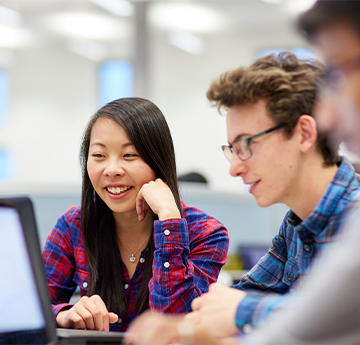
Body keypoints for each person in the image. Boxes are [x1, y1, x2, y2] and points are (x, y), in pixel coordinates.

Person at [125, 52, 360, 344]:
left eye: (247, 144)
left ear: (303, 133)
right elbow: (231, 301)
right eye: (232, 150)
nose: (235, 168)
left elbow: (340, 315)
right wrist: (188, 327)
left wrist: (240, 311)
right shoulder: (296, 226)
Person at [41, 97, 229, 332]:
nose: (111, 170)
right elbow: (30, 310)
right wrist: (64, 315)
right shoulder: (74, 225)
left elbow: (175, 325)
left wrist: (170, 220)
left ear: (158, 160)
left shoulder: (205, 233)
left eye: (129, 155)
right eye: (99, 156)